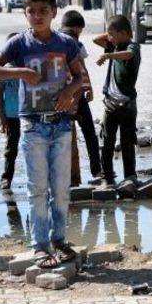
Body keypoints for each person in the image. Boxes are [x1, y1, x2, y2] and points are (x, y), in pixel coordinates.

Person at [0, 0, 87, 268]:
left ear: (54, 12)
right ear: (25, 13)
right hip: (32, 125)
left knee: (61, 188)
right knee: (37, 188)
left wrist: (70, 91)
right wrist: (20, 72)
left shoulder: (66, 43)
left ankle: (60, 240)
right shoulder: (19, 44)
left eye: (44, 11)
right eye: (32, 11)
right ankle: (39, 246)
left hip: (61, 124)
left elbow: (81, 77)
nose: (38, 16)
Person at [93, 15, 141, 185]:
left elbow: (128, 55)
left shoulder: (132, 47)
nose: (110, 38)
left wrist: (107, 56)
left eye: (113, 34)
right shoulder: (114, 45)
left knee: (127, 142)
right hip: (110, 104)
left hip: (127, 104)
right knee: (107, 142)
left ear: (124, 33)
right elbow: (95, 39)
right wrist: (111, 35)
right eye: (110, 35)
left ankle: (130, 176)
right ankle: (107, 176)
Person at [59, 10, 101, 186]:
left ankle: (88, 173)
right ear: (77, 28)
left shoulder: (65, 41)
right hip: (66, 94)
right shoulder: (67, 43)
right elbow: (81, 69)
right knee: (83, 133)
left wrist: (88, 87)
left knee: (82, 133)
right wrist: (85, 88)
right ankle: (92, 172)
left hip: (69, 92)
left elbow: (81, 68)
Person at [0, 33, 20, 191]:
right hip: (11, 115)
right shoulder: (3, 71)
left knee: (32, 148)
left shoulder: (28, 68)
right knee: (11, 149)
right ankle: (6, 178)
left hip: (28, 115)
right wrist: (2, 117)